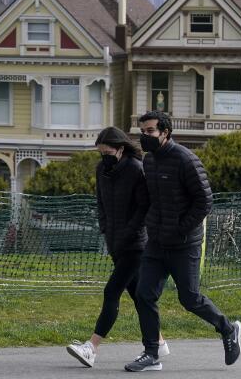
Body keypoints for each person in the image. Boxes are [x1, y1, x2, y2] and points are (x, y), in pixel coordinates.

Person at [124, 111, 241, 373]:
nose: (145, 136)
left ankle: (228, 328)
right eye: (142, 132)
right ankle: (151, 353)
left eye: (150, 131)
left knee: (189, 299)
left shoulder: (186, 159)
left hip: (184, 243)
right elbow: (153, 199)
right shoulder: (150, 161)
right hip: (156, 242)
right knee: (144, 294)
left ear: (165, 132)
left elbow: (204, 202)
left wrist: (179, 229)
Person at [66, 127, 169, 368]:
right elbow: (100, 202)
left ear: (120, 149)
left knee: (111, 291)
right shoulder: (101, 169)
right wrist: (106, 229)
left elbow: (144, 208)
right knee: (138, 297)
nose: (104, 156)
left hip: (135, 245)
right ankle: (159, 344)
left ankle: (91, 347)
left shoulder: (136, 169)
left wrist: (127, 233)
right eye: (101, 152)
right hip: (115, 243)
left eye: (108, 152)